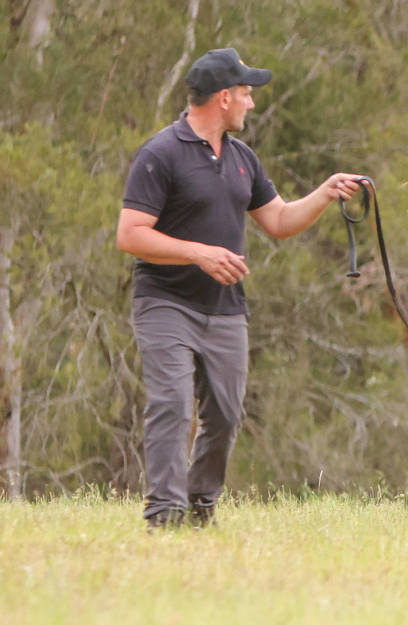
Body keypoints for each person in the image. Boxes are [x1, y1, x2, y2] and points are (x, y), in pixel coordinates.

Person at [117, 48, 363, 529]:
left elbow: (279, 221)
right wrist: (199, 253)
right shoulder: (160, 154)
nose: (251, 103)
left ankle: (199, 509)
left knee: (226, 415)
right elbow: (130, 235)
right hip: (165, 303)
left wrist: (325, 192)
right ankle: (164, 515)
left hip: (226, 310)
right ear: (224, 97)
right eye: (247, 94)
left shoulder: (242, 158)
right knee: (172, 406)